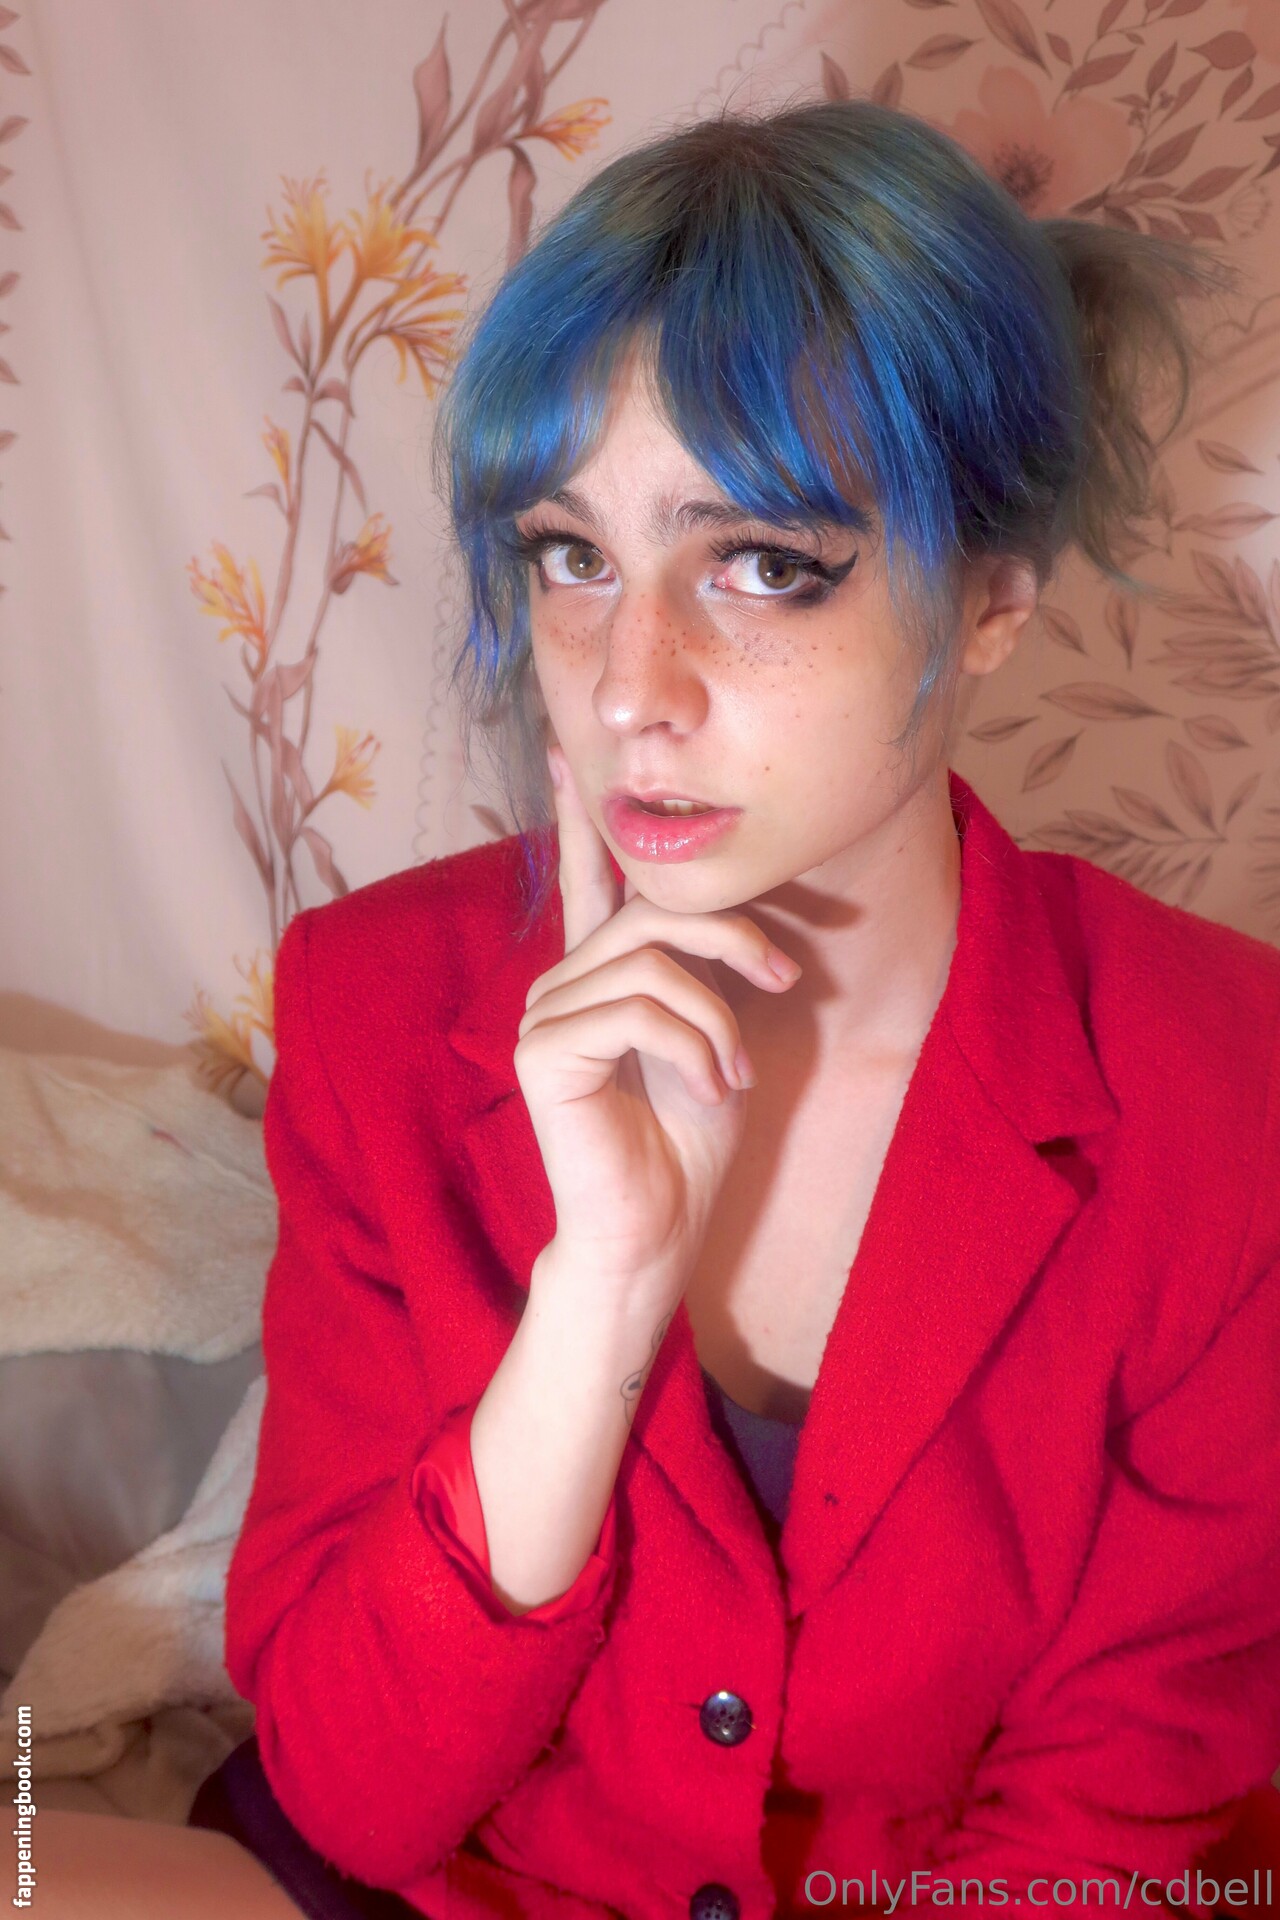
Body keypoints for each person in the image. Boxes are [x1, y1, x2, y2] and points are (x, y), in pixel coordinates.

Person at [18, 96, 1279, 1920]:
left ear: (995, 596)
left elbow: (1095, 1826)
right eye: (574, 555)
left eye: (762, 563)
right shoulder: (378, 1008)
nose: (629, 688)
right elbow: (353, 1796)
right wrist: (594, 1296)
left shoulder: (1227, 1093)